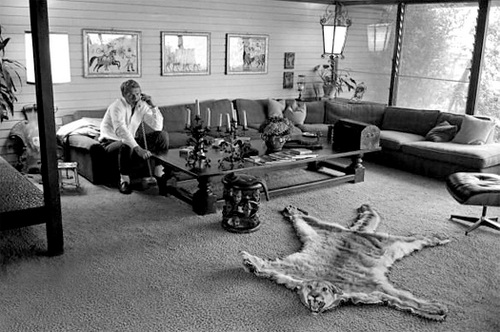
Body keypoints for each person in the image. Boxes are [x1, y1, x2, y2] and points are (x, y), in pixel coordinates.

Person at [99, 80, 169, 194]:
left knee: (162, 135)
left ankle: (159, 171)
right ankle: (124, 181)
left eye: (137, 93)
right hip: (111, 141)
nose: (135, 97)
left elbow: (157, 126)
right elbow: (121, 130)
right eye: (131, 94)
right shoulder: (117, 106)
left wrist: (153, 106)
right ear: (123, 94)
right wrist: (138, 149)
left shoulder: (142, 105)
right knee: (126, 143)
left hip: (129, 140)